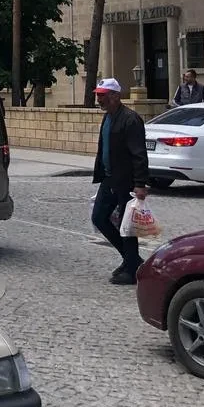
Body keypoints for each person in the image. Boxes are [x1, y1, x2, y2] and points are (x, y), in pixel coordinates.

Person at [90, 78, 149, 285]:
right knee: (99, 217)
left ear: (115, 96)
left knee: (127, 226)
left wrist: (140, 184)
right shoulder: (108, 118)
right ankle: (131, 260)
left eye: (103, 95)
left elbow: (139, 154)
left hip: (126, 181)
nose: (99, 99)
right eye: (98, 95)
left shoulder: (130, 120)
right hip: (109, 179)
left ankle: (132, 268)